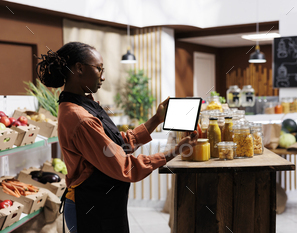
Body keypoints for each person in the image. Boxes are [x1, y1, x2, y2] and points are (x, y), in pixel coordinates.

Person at [36, 42, 198, 233]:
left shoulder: (82, 105)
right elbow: (123, 166)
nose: (103, 77)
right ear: (79, 68)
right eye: (99, 69)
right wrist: (174, 152)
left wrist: (156, 119)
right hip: (90, 211)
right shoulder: (80, 118)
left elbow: (116, 145)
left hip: (100, 205)